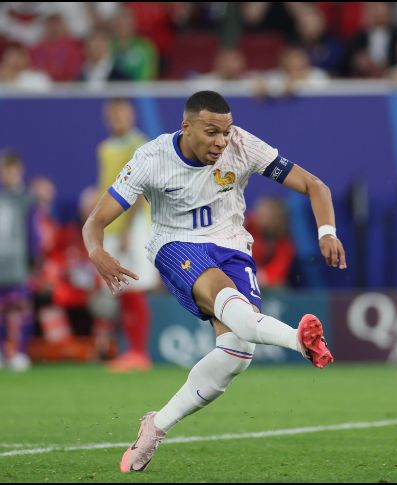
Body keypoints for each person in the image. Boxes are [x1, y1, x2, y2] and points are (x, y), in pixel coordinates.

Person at [82, 90, 346, 473]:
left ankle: (156, 426)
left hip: (232, 246)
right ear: (185, 127)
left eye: (225, 131)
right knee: (225, 296)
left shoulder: (241, 145)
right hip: (174, 244)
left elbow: (315, 186)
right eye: (211, 132)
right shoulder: (151, 158)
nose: (221, 141)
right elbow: (95, 221)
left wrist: (326, 232)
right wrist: (97, 252)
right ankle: (298, 341)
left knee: (237, 353)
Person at [96, 98, 159, 372]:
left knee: (135, 287)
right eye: (114, 115)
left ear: (131, 116)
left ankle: (138, 352)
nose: (119, 120)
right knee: (119, 290)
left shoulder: (140, 145)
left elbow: (140, 187)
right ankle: (128, 351)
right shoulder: (105, 148)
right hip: (111, 226)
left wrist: (129, 225)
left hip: (132, 225)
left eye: (123, 115)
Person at [0, 150, 36, 371]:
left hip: (19, 264)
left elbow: (33, 233)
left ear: (19, 170)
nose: (7, 175)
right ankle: (2, 352)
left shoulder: (27, 200)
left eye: (11, 170)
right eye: (3, 170)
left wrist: (33, 261)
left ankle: (20, 353)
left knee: (21, 310)